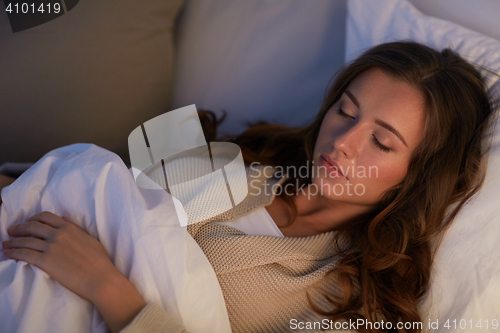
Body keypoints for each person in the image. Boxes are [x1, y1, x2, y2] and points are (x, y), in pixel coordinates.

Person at [1, 41, 495, 333]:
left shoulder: (350, 302)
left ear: (418, 175)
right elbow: (92, 186)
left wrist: (105, 286)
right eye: (345, 110)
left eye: (381, 142)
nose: (343, 141)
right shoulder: (245, 158)